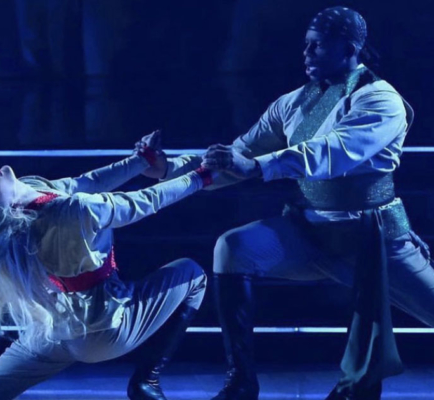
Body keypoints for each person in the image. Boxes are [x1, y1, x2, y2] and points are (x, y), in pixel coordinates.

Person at [140, 7, 432, 400]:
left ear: (348, 49)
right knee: (234, 247)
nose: (306, 53)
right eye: (306, 45)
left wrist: (258, 166)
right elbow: (239, 154)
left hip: (373, 240)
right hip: (311, 234)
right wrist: (167, 168)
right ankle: (241, 383)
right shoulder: (294, 102)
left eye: (317, 46)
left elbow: (332, 152)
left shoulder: (380, 100)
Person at [0, 131, 215, 400]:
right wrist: (202, 176)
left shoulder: (32, 190)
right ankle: (147, 380)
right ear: (8, 210)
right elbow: (145, 201)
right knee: (192, 274)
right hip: (100, 332)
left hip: (51, 330)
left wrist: (141, 161)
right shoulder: (72, 213)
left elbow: (87, 182)